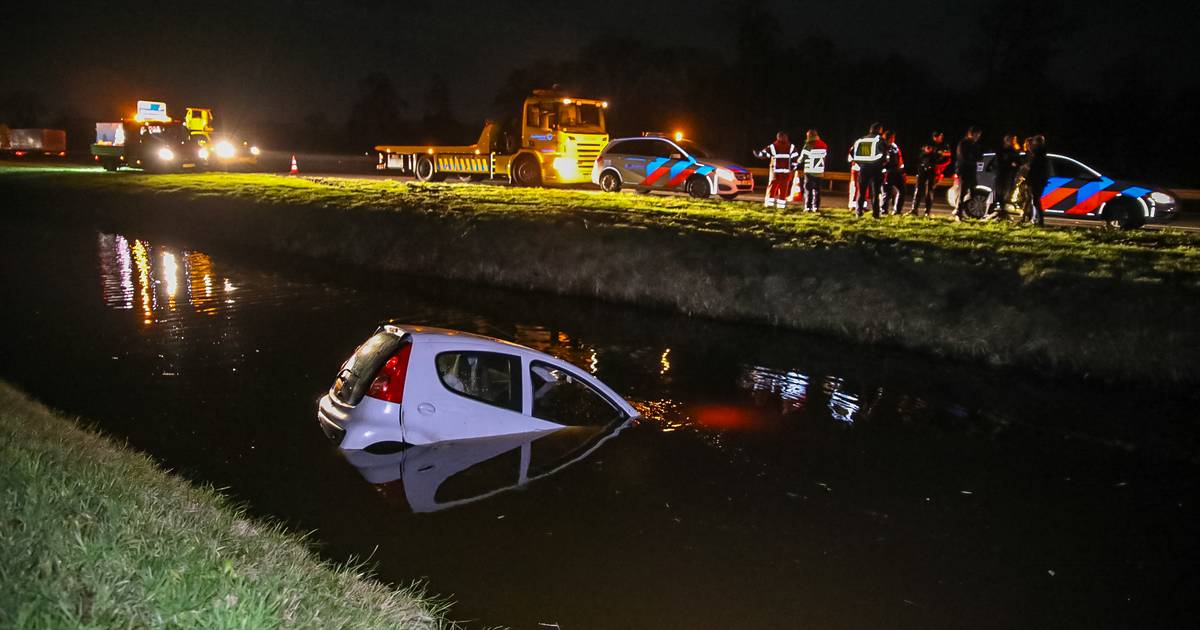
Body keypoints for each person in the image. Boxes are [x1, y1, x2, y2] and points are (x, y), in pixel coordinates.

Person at [910, 131, 951, 217]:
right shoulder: (927, 144)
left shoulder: (944, 146)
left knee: (929, 192)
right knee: (918, 190)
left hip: (934, 171)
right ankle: (914, 210)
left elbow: (947, 159)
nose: (937, 138)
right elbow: (919, 156)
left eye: (939, 136)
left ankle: (927, 212)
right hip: (923, 169)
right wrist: (925, 152)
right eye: (935, 136)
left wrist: (938, 167)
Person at [849, 123, 887, 218]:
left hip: (863, 168)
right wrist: (883, 163)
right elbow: (885, 152)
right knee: (875, 192)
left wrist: (859, 162)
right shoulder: (879, 139)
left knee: (861, 192)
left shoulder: (861, 140)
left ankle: (858, 212)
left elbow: (852, 152)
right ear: (879, 130)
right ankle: (875, 214)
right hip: (876, 168)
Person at [753, 132, 798, 209]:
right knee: (784, 188)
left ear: (778, 137)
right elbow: (795, 158)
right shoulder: (791, 146)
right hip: (786, 171)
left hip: (775, 170)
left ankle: (769, 204)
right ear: (786, 137)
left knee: (772, 187)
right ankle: (781, 205)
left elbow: (764, 154)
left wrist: (756, 153)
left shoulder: (774, 146)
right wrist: (793, 167)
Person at [985, 134, 1022, 220]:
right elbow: (998, 163)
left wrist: (1014, 165)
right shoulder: (1001, 151)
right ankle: (998, 213)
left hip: (1009, 176)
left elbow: (1018, 163)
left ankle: (1002, 213)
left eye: (1013, 140)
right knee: (999, 195)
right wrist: (1010, 164)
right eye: (1010, 140)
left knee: (1006, 195)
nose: (1012, 142)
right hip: (1001, 175)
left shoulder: (1014, 151)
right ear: (1006, 141)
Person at [952, 126, 983, 221]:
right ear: (970, 134)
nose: (977, 137)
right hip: (963, 170)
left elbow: (979, 157)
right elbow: (963, 157)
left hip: (972, 171)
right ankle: (958, 212)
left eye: (979, 135)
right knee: (962, 192)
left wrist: (977, 161)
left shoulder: (975, 145)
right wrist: (974, 161)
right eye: (976, 135)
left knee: (973, 191)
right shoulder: (963, 143)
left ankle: (958, 208)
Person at [798, 129, 828, 212]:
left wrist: (797, 162)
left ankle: (808, 207)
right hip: (820, 171)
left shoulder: (808, 145)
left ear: (809, 136)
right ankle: (816, 207)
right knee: (817, 190)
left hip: (810, 171)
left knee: (808, 189)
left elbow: (802, 157)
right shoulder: (823, 144)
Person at [1023, 134, 1049, 227]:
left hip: (1036, 181)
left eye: (1034, 142)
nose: (1032, 144)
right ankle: (1038, 220)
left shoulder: (1038, 155)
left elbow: (1035, 169)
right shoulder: (1039, 154)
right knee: (1035, 200)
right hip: (1037, 180)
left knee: (1036, 201)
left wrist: (1029, 179)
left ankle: (1040, 221)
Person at [881, 131, 906, 215]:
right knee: (887, 192)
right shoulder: (882, 146)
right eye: (892, 137)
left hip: (897, 171)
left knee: (902, 190)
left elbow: (899, 157)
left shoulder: (894, 146)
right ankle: (884, 210)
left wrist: (902, 171)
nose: (893, 139)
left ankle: (897, 211)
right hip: (887, 172)